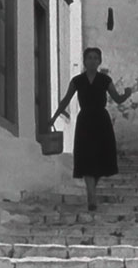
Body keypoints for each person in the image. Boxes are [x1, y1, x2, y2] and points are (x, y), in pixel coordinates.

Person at [49, 47, 132, 210]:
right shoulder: (77, 81)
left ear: (99, 61)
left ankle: (92, 189)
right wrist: (54, 116)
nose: (92, 61)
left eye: (95, 58)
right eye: (89, 58)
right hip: (85, 121)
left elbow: (117, 98)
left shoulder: (105, 80)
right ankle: (91, 195)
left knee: (101, 157)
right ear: (84, 61)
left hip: (101, 120)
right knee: (86, 157)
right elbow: (65, 100)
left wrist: (127, 94)